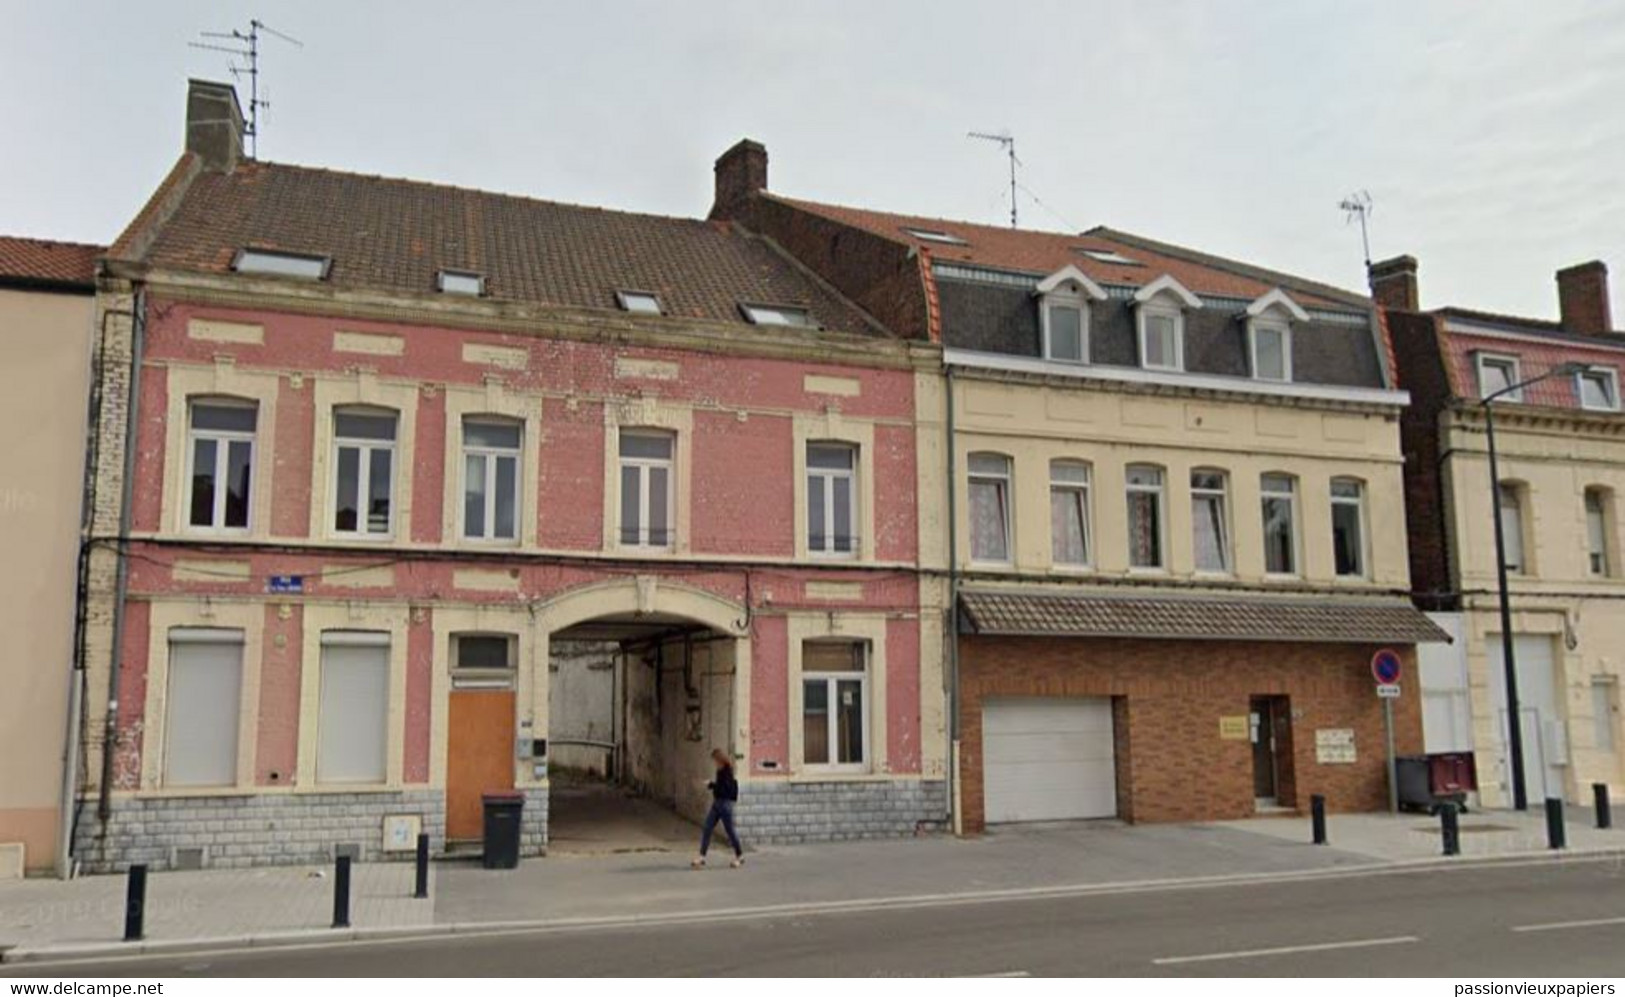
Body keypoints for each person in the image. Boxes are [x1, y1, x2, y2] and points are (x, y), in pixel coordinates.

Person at [693, 748, 744, 868]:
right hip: (717, 804)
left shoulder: (727, 772)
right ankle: (702, 856)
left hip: (725, 805)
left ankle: (739, 856)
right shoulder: (720, 771)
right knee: (707, 827)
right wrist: (712, 785)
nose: (714, 763)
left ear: (719, 760)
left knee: (730, 831)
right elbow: (719, 787)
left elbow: (725, 789)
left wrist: (711, 785)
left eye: (715, 761)